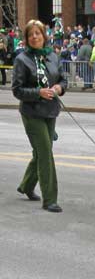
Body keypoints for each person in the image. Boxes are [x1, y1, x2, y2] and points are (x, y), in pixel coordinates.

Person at [12, 19, 67, 213]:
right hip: (32, 113)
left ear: (44, 35)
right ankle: (50, 199)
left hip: (51, 111)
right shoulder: (21, 59)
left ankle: (27, 186)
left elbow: (62, 79)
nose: (35, 37)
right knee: (45, 153)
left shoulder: (53, 56)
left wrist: (60, 87)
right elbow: (17, 90)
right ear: (26, 39)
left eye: (38, 33)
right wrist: (38, 92)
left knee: (41, 151)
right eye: (31, 34)